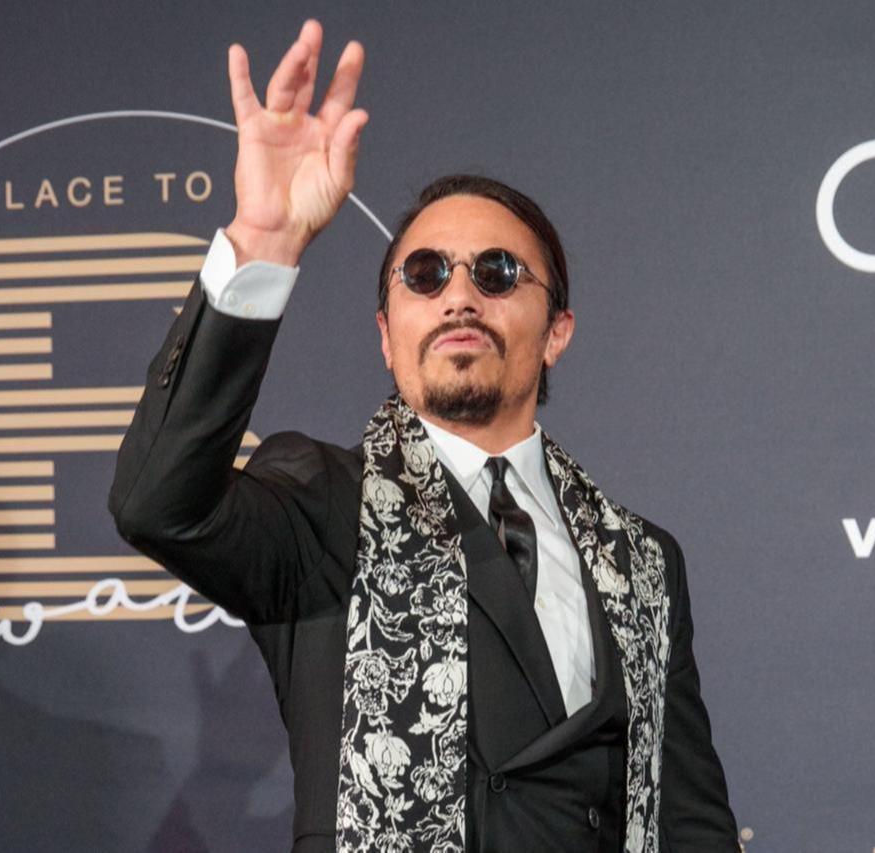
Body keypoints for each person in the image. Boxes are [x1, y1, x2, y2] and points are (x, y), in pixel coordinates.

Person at [110, 19, 737, 852]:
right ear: (385, 331)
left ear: (558, 330)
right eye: (426, 273)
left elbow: (689, 818)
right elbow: (157, 504)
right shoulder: (321, 504)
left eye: (498, 272)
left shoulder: (645, 563)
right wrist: (264, 240)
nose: (459, 296)